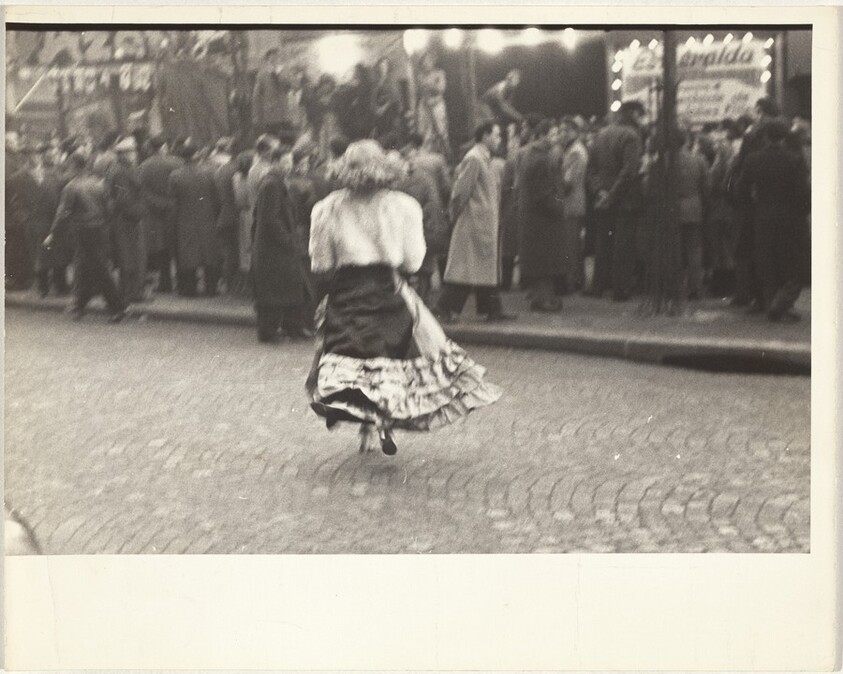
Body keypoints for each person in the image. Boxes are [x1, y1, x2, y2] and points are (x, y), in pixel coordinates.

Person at [307, 140, 502, 455]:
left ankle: (363, 421)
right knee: (394, 357)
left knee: (350, 360)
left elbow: (321, 264)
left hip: (346, 293)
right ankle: (383, 420)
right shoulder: (403, 206)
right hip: (388, 289)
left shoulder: (327, 208)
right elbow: (413, 261)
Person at [436, 121, 514, 322]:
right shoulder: (474, 159)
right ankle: (444, 308)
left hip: (481, 223)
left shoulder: (482, 158)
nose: (499, 140)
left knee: (480, 268)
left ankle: (492, 310)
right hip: (474, 223)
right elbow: (460, 192)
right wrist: (454, 216)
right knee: (467, 270)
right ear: (485, 136)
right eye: (496, 135)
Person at [736, 120, 810, 322]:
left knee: (768, 261)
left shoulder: (753, 159)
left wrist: (754, 205)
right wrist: (803, 211)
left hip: (763, 215)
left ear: (765, 137)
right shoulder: (795, 159)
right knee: (792, 262)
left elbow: (741, 190)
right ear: (784, 137)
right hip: (791, 217)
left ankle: (772, 303)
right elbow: (803, 193)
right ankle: (783, 303)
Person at [42, 152, 127, 323]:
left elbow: (63, 214)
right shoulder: (99, 183)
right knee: (86, 266)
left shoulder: (71, 187)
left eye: (69, 167)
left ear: (74, 167)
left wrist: (53, 234)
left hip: (83, 230)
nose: (68, 171)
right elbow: (110, 208)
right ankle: (80, 305)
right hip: (100, 228)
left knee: (97, 268)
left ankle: (117, 307)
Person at [251, 148, 312, 343]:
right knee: (275, 290)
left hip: (277, 246)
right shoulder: (271, 184)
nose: (288, 166)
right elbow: (270, 218)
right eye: (284, 162)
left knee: (288, 286)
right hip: (274, 248)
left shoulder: (276, 182)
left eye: (289, 162)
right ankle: (270, 331)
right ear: (275, 162)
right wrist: (287, 239)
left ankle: (292, 326)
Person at [586, 100, 645, 301]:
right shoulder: (632, 136)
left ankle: (598, 286)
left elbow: (591, 169)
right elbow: (629, 171)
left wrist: (600, 192)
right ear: (633, 114)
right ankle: (621, 289)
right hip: (625, 200)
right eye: (640, 115)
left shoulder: (601, 134)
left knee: (603, 243)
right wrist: (612, 195)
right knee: (623, 246)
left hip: (603, 198)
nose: (641, 120)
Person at [517, 119, 566, 312]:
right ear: (543, 136)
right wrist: (559, 206)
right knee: (545, 262)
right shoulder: (541, 159)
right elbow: (543, 193)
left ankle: (541, 298)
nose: (557, 137)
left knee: (540, 262)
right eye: (553, 134)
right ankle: (544, 301)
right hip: (542, 219)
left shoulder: (530, 154)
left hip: (533, 218)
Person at [167, 139, 221, 296]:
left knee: (188, 255)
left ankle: (190, 289)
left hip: (184, 220)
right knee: (209, 253)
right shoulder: (208, 173)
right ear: (196, 155)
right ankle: (211, 288)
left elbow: (172, 202)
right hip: (207, 219)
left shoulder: (175, 176)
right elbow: (217, 199)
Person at [138, 135, 183, 293]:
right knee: (177, 246)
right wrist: (172, 203)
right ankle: (182, 280)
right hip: (175, 210)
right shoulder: (177, 162)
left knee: (161, 248)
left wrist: (158, 203)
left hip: (155, 213)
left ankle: (165, 282)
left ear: (151, 148)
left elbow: (143, 191)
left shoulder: (144, 167)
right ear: (164, 146)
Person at [106, 136, 148, 303]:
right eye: (131, 152)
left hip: (125, 218)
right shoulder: (120, 171)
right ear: (123, 154)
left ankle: (133, 292)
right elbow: (123, 198)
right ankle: (130, 293)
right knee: (129, 257)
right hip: (126, 219)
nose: (134, 154)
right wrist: (139, 212)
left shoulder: (122, 168)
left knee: (130, 256)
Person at [415, 51, 450, 157]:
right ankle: (427, 155)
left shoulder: (439, 73)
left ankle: (444, 155)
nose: (426, 63)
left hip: (437, 103)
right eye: (424, 61)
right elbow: (419, 91)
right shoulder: (420, 76)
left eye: (429, 61)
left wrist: (430, 85)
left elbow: (441, 88)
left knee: (440, 130)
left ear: (433, 62)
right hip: (424, 104)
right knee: (425, 131)